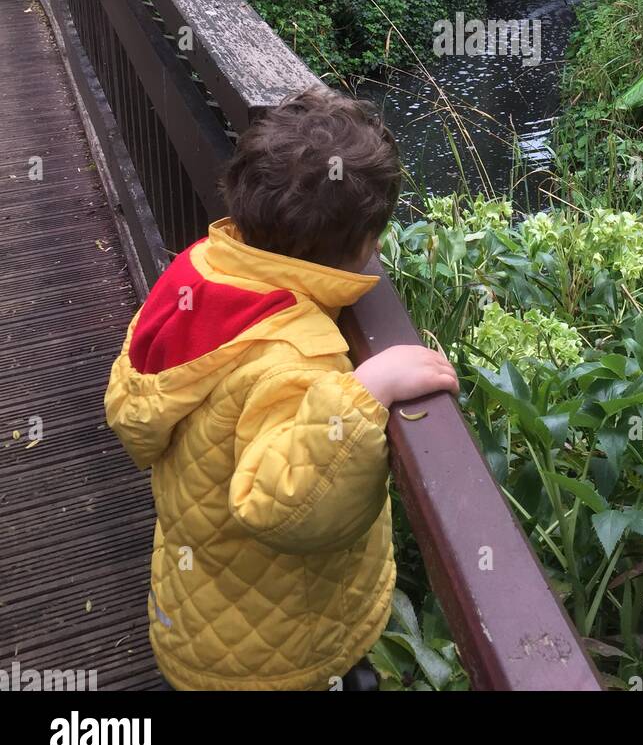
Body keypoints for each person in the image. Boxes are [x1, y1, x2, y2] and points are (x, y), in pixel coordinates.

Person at [104, 87, 458, 691]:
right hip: (275, 654)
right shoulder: (292, 353)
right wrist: (362, 391)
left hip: (202, 611)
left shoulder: (201, 274)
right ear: (362, 246)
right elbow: (286, 505)